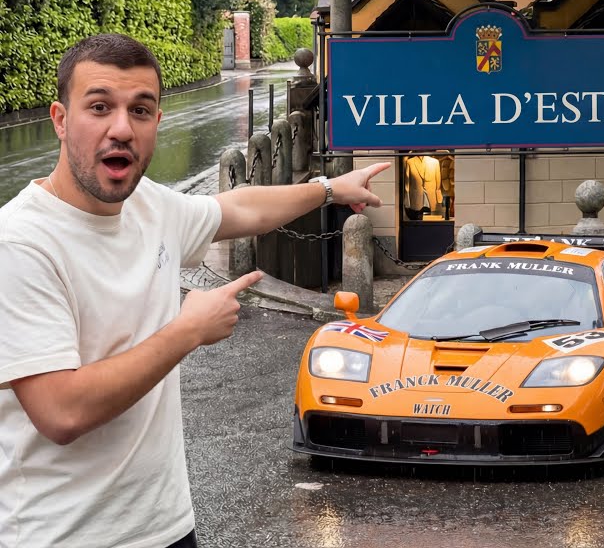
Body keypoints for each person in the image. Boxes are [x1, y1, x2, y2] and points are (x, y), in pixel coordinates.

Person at [0, 34, 390, 548]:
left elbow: (240, 208)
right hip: (62, 535)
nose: (121, 128)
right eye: (99, 107)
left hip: (166, 527)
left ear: (156, 123)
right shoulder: (21, 242)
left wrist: (330, 189)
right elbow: (61, 412)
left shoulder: (149, 207)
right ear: (60, 119)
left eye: (140, 110)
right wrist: (186, 332)